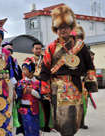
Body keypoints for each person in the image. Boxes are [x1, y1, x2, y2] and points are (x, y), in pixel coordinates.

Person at [40, 5, 98, 136]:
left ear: (70, 27)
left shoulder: (80, 46)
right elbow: (45, 69)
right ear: (56, 29)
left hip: (76, 86)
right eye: (59, 28)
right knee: (62, 123)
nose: (62, 30)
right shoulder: (51, 47)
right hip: (58, 88)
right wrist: (45, 87)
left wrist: (90, 84)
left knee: (74, 121)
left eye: (64, 27)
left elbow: (89, 66)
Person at [15, 58, 41, 136]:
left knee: (35, 128)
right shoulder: (21, 82)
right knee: (27, 128)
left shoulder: (37, 82)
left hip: (34, 109)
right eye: (23, 69)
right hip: (24, 110)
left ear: (31, 71)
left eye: (25, 69)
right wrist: (14, 95)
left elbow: (40, 96)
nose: (23, 71)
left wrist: (32, 92)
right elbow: (18, 94)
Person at [30, 41, 52, 132]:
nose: (38, 50)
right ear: (32, 49)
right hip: (33, 84)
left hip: (44, 84)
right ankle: (36, 124)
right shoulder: (29, 60)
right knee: (34, 105)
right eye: (36, 48)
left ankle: (46, 126)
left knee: (46, 104)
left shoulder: (45, 59)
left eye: (40, 49)